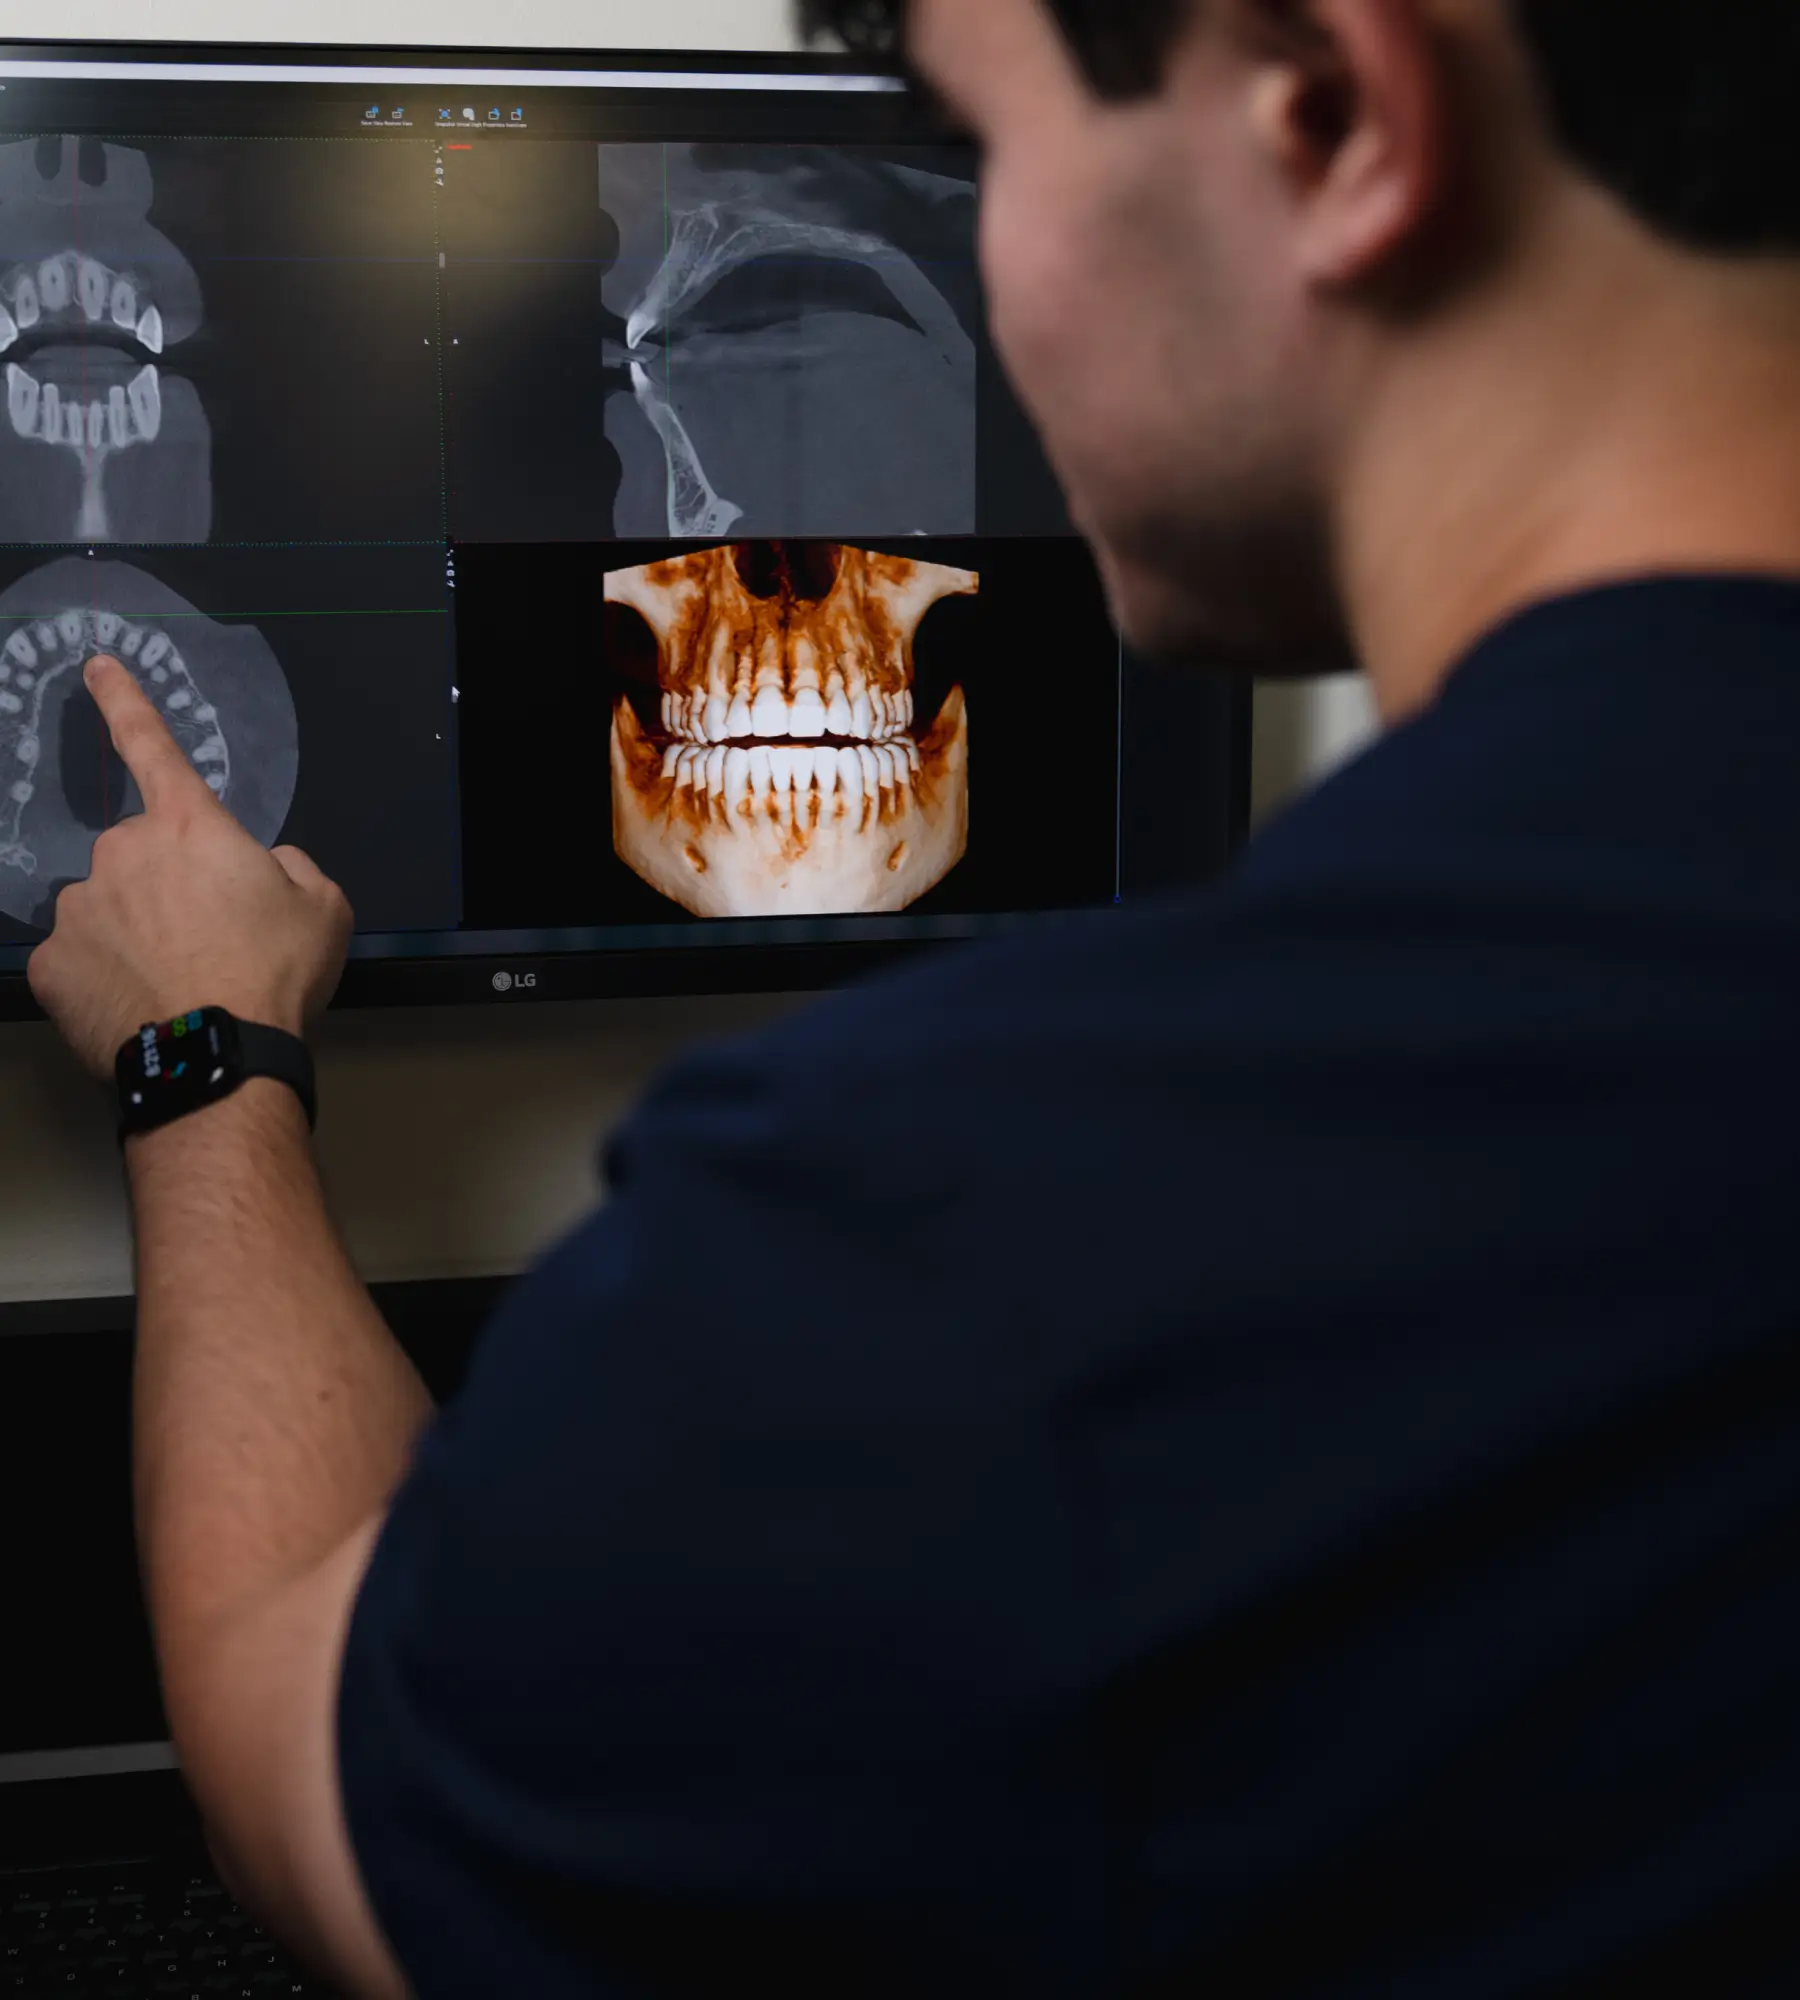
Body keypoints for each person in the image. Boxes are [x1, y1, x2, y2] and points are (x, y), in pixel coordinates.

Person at [27, 0, 1800, 1990]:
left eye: (986, 151)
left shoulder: (994, 1227)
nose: (1015, 278)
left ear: (1326, 115)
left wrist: (205, 1057)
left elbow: (308, 1771)